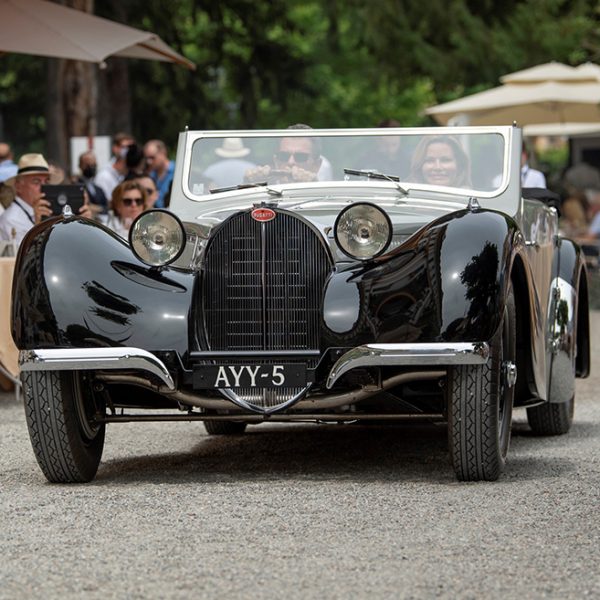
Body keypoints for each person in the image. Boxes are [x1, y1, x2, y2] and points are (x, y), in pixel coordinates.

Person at [0, 153, 91, 247]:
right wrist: (39, 226)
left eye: (46, 181)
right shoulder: (11, 219)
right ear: (18, 186)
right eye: (36, 182)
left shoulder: (48, 209)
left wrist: (83, 224)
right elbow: (28, 256)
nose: (43, 186)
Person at [244, 124, 322, 184]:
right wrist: (249, 185)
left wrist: (313, 187)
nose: (290, 162)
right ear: (276, 160)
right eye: (284, 156)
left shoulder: (326, 199)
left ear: (316, 166)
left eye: (300, 157)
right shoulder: (263, 192)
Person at [94, 132, 135, 201]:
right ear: (115, 148)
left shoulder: (134, 172)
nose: (128, 151)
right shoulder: (104, 176)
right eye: (125, 147)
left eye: (131, 148)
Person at [144, 139, 174, 208]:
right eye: (147, 158)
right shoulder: (150, 175)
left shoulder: (177, 173)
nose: (149, 162)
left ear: (163, 153)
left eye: (152, 157)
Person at [76, 151, 108, 215]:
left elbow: (107, 208)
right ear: (80, 165)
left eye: (93, 165)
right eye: (88, 165)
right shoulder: (75, 187)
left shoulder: (99, 189)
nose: (91, 167)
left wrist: (96, 208)